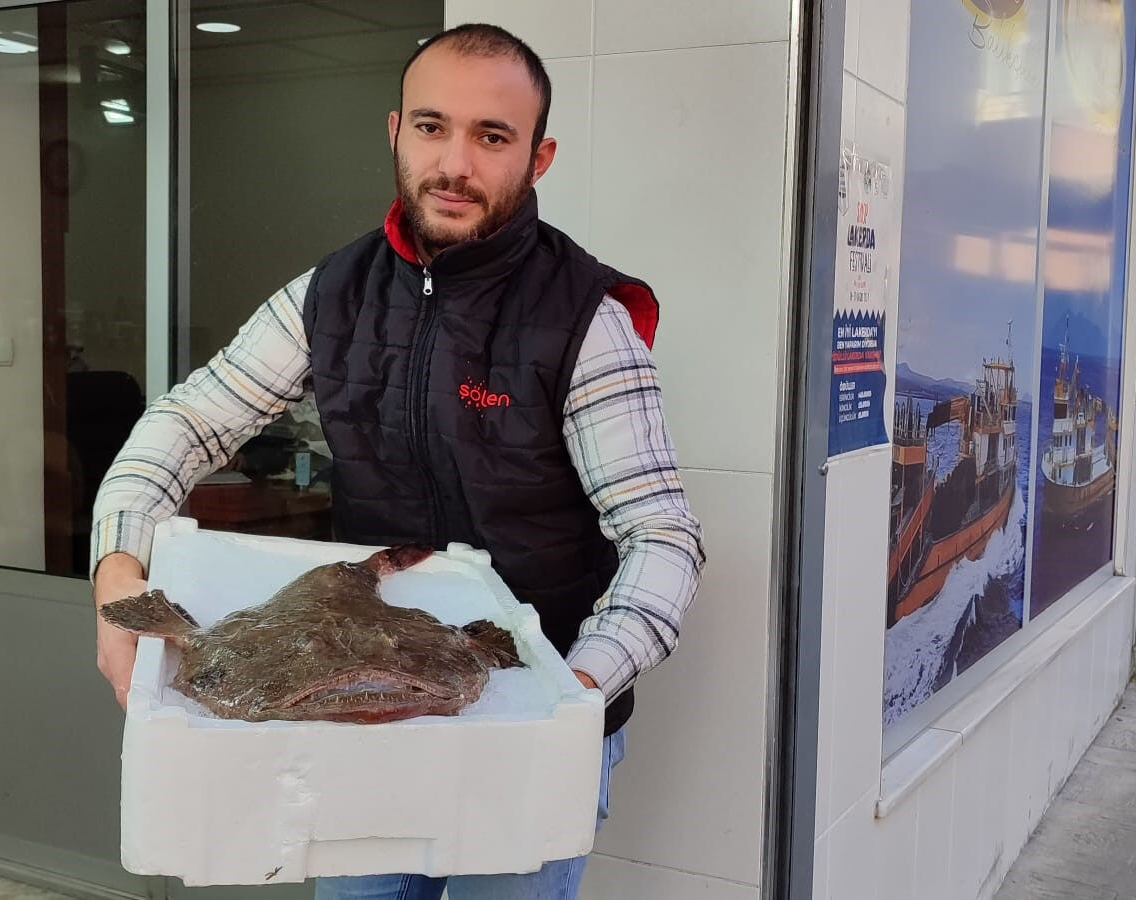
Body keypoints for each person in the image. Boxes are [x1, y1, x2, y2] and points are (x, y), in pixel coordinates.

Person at [86, 23, 706, 900]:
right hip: (351, 719)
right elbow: (186, 422)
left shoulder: (586, 319)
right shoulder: (329, 293)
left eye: (492, 136)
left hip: (527, 722)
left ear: (540, 155)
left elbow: (662, 537)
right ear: (394, 131)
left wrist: (570, 691)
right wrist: (116, 566)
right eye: (431, 126)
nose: (454, 162)